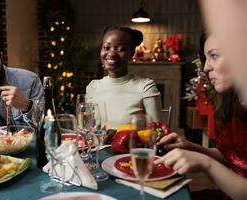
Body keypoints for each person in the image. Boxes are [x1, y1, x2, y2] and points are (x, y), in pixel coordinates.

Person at [155, 33, 247, 200]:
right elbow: (234, 157)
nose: (205, 67)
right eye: (205, 58)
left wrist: (205, 163)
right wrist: (192, 148)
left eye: (214, 55)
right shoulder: (232, 101)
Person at [86, 26, 163, 129]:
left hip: (133, 145)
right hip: (98, 145)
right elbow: (88, 129)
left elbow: (158, 133)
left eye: (121, 49)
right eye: (106, 48)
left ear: (131, 54)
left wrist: (120, 135)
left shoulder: (145, 87)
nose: (112, 53)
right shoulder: (93, 87)